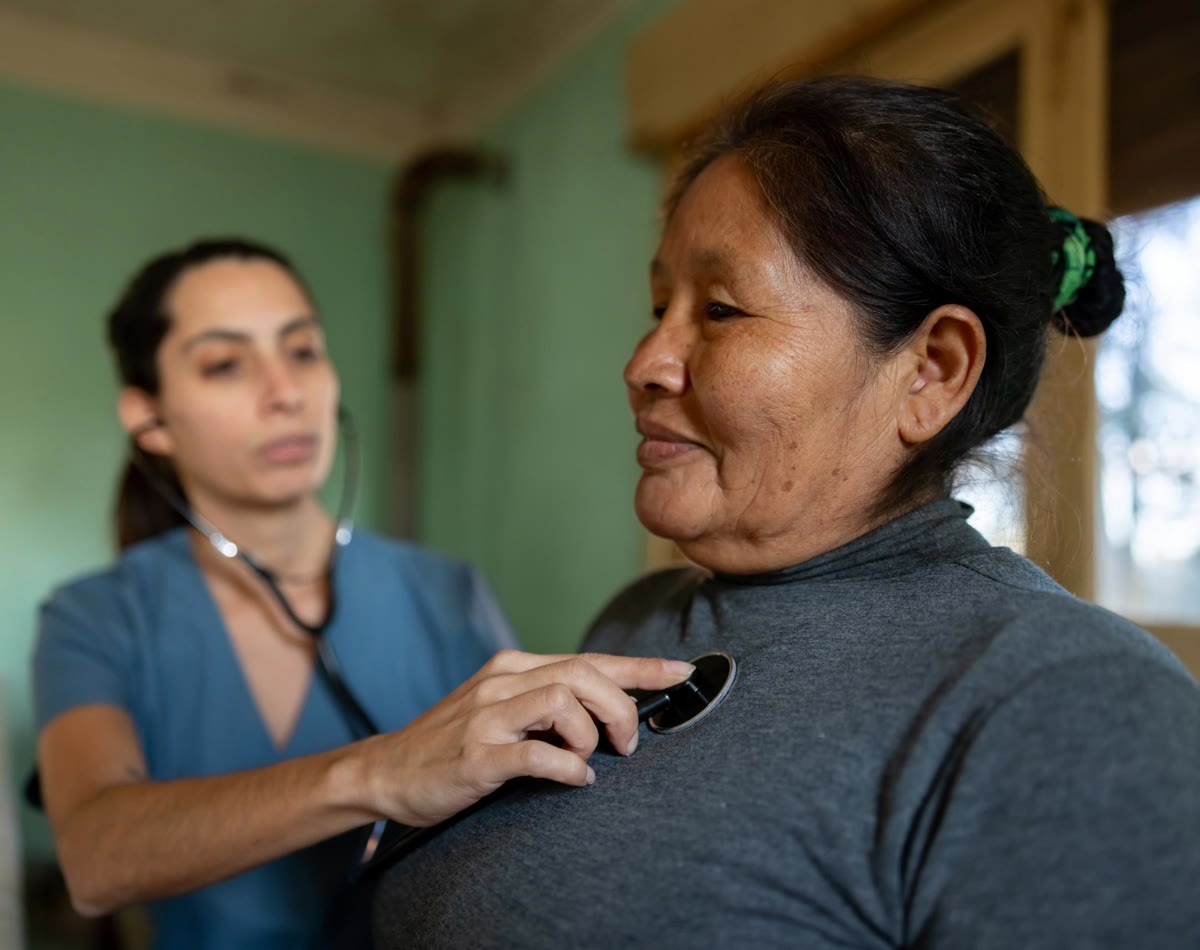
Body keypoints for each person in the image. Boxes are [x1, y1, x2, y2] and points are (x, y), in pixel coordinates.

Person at [371, 77, 1200, 948]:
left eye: (720, 311)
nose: (645, 362)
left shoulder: (1063, 700)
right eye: (661, 309)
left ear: (931, 372)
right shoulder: (642, 620)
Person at [31, 238, 694, 949]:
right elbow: (96, 857)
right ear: (150, 419)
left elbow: (519, 831)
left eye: (303, 350)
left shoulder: (445, 591)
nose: (284, 392)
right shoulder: (95, 616)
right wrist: (379, 770)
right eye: (226, 364)